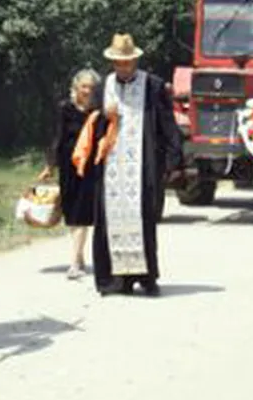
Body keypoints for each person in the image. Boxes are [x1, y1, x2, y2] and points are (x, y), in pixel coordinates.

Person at [77, 33, 182, 297]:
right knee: (109, 220)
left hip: (143, 165)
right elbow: (91, 125)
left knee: (143, 218)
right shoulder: (103, 87)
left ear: (135, 61)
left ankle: (146, 278)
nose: (123, 67)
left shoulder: (153, 86)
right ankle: (114, 280)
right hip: (110, 165)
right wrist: (105, 116)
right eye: (118, 62)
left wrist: (173, 158)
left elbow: (167, 124)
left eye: (127, 62)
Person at [39, 68, 101, 279]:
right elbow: (57, 137)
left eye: (91, 87)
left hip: (91, 168)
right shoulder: (65, 109)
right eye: (84, 86)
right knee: (72, 213)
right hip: (68, 167)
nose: (87, 91)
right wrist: (50, 165)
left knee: (82, 213)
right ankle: (80, 255)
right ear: (76, 87)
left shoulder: (99, 111)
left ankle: (74, 262)